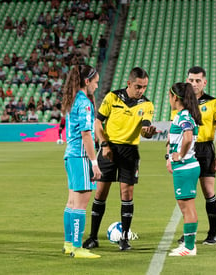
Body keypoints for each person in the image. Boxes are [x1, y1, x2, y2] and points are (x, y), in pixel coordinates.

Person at [83, 67, 156, 251]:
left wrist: (148, 133)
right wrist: (104, 144)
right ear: (129, 83)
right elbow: (98, 122)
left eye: (144, 87)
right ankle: (93, 237)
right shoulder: (112, 98)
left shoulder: (147, 105)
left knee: (127, 195)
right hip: (109, 148)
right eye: (138, 86)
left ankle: (124, 239)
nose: (141, 90)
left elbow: (145, 129)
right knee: (100, 194)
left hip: (130, 151)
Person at [177, 66, 216, 245]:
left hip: (205, 150)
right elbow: (175, 131)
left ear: (204, 82)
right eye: (191, 80)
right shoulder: (181, 103)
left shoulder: (214, 103)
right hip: (185, 149)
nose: (194, 83)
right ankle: (188, 233)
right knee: (186, 194)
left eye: (198, 80)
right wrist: (170, 156)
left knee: (208, 191)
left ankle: (213, 232)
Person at [61, 65, 102, 259]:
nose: (96, 85)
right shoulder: (84, 102)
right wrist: (94, 162)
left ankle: (69, 243)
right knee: (80, 205)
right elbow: (86, 134)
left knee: (71, 202)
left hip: (70, 155)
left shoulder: (73, 99)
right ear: (87, 81)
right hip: (81, 156)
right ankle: (77, 247)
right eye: (95, 82)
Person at [166, 82, 202, 256]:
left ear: (175, 97)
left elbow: (187, 137)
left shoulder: (184, 116)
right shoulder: (182, 115)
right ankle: (188, 245)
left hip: (185, 166)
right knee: (186, 207)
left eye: (169, 96)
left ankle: (189, 247)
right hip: (186, 167)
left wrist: (180, 155)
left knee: (187, 208)